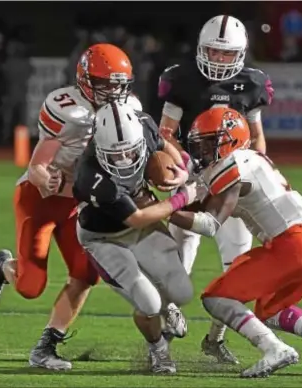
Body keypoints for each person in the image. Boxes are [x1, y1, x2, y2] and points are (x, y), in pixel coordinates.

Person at [0, 43, 143, 371]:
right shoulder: (68, 109)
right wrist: (45, 180)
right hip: (39, 199)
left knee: (85, 274)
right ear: (84, 80)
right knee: (30, 287)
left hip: (79, 204)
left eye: (118, 84)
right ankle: (3, 267)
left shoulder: (129, 109)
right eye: (104, 84)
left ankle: (46, 346)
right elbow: (38, 163)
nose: (113, 92)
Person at [169, 107, 302, 377]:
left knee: (216, 297)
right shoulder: (251, 158)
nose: (203, 151)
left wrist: (163, 210)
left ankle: (274, 348)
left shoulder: (232, 164)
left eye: (210, 142)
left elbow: (210, 225)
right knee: (270, 310)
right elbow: (202, 204)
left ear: (229, 139)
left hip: (292, 245)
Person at [157, 14, 274, 362]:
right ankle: (161, 340)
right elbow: (165, 134)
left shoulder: (252, 83)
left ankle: (215, 339)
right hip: (193, 178)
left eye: (227, 54)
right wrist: (183, 164)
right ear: (199, 49)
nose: (220, 60)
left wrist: (253, 168)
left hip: (232, 183)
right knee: (179, 264)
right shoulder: (181, 79)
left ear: (240, 53)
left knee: (238, 269)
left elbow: (256, 138)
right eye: (213, 52)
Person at [73, 101, 197, 374]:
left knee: (182, 291)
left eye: (131, 151)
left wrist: (182, 170)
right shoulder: (91, 176)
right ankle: (159, 351)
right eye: (116, 155)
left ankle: (169, 306)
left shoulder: (143, 127)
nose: (126, 160)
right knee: (148, 302)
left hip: (142, 223)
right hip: (103, 237)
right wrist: (182, 198)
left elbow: (164, 145)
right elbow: (136, 218)